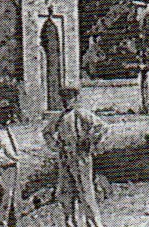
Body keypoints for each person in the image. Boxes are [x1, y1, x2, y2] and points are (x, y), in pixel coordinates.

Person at [43, 86, 108, 227]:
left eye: (69, 98)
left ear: (75, 98)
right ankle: (70, 222)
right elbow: (47, 132)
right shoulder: (59, 117)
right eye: (64, 99)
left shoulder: (82, 114)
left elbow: (102, 127)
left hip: (81, 157)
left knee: (85, 191)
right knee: (66, 192)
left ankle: (94, 223)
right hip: (65, 158)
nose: (66, 102)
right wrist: (56, 145)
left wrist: (88, 140)